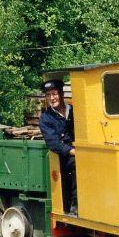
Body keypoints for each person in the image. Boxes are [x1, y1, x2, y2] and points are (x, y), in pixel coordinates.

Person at [39, 79, 77, 215]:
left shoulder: (73, 111)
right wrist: (71, 151)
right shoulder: (46, 118)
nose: (52, 98)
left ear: (61, 94)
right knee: (77, 164)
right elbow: (53, 143)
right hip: (63, 157)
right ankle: (75, 205)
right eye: (48, 95)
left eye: (54, 94)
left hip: (80, 148)